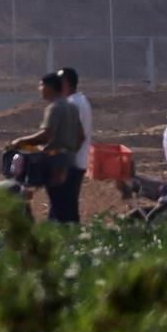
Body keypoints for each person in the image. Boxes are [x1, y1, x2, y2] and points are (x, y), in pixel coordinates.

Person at [8, 71, 85, 223]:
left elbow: (46, 135)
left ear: (49, 87)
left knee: (57, 205)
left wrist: (20, 141)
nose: (40, 89)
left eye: (41, 85)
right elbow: (81, 136)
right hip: (70, 161)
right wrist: (70, 153)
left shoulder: (55, 108)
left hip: (56, 163)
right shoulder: (71, 107)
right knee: (69, 207)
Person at [60, 66, 92, 222]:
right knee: (70, 207)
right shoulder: (81, 100)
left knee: (63, 208)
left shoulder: (73, 104)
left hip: (72, 164)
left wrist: (66, 160)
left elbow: (79, 136)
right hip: (78, 162)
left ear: (65, 83)